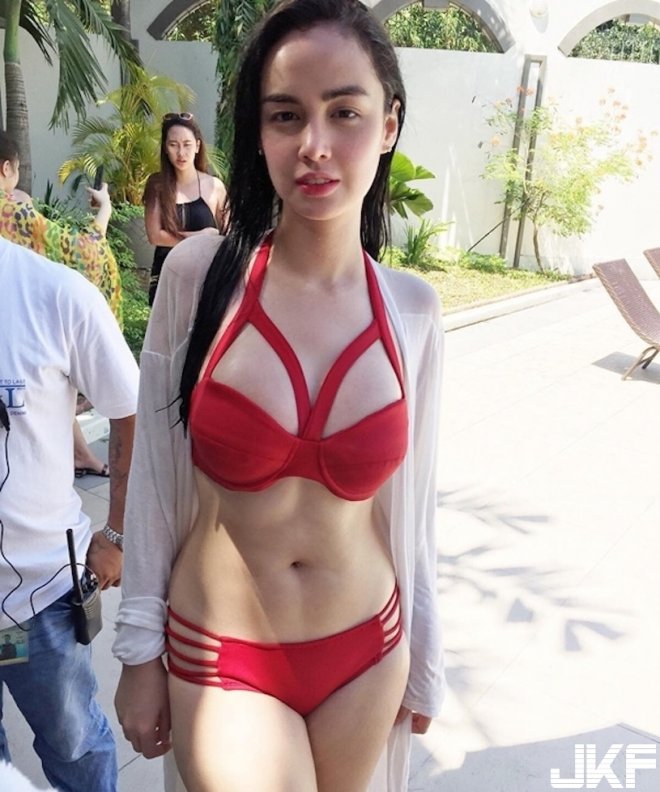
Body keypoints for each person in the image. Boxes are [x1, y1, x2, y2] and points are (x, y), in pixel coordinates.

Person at [114, 1, 445, 790]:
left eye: (345, 113)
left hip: (368, 650)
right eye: (286, 115)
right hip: (223, 651)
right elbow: (155, 475)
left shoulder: (412, 311)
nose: (314, 146)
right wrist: (136, 652)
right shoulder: (199, 277)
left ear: (389, 125)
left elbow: (416, 505)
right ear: (259, 132)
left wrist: (428, 657)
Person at [0, 236, 139, 791]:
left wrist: (117, 534)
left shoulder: (53, 295)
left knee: (74, 747)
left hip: (36, 600)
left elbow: (131, 413)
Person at [0, 130, 121, 479]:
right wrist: (105, 210)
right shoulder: (13, 211)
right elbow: (84, 252)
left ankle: (82, 455)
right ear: (7, 168)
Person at [143, 112, 228, 305]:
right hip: (167, 276)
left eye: (187, 144)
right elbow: (155, 236)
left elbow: (228, 234)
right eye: (173, 145)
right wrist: (200, 237)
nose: (181, 153)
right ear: (165, 148)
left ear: (197, 146)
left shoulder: (214, 186)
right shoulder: (157, 185)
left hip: (205, 278)